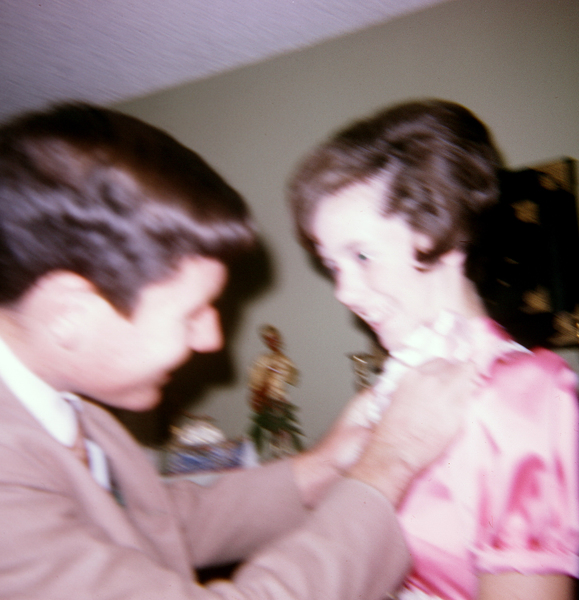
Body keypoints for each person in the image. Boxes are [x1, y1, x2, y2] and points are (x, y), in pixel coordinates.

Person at [0, 102, 470, 599]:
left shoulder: (69, 414)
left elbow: (154, 523)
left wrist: (325, 466)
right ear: (69, 314)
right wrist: (391, 463)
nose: (212, 340)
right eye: (191, 314)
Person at [287, 99, 579, 600]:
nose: (344, 292)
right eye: (332, 266)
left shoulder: (527, 395)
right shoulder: (387, 397)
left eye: (362, 255)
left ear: (439, 231)